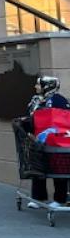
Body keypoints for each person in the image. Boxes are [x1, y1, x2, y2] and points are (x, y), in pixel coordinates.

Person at [27, 75, 69, 208]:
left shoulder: (59, 100)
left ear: (48, 86)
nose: (36, 87)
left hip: (56, 141)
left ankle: (60, 199)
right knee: (38, 168)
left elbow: (65, 120)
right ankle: (38, 198)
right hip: (38, 140)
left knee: (59, 169)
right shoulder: (36, 101)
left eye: (39, 85)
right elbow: (29, 117)